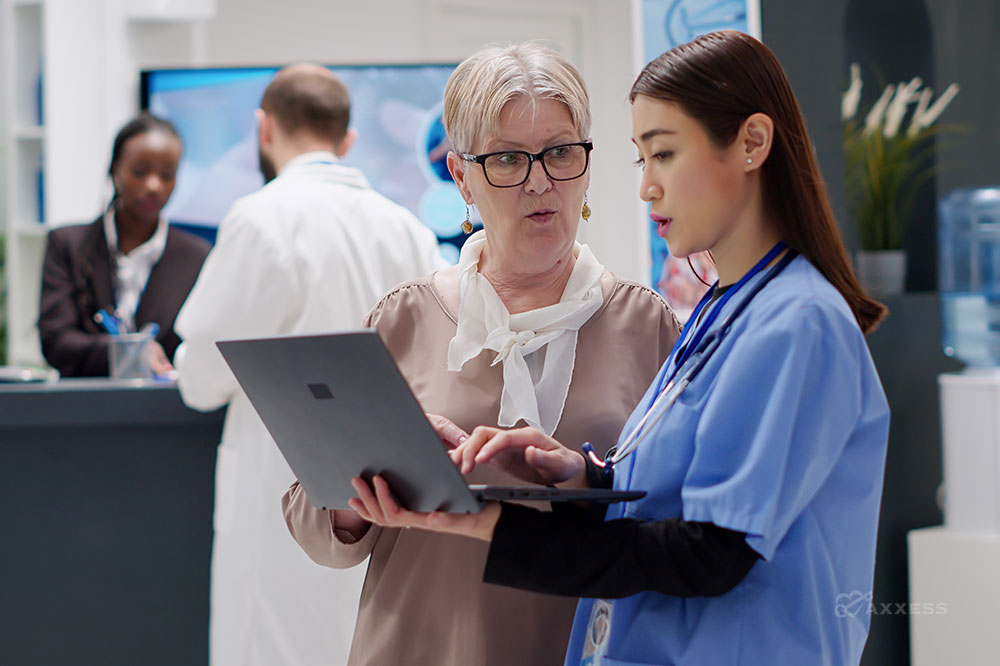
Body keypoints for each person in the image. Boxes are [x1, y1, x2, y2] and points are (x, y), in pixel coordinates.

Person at [347, 30, 892, 666]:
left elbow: (709, 550)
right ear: (462, 177)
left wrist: (485, 521)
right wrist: (582, 476)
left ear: (751, 144)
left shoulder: (793, 323)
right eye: (641, 160)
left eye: (664, 155)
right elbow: (677, 490)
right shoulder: (724, 311)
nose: (647, 188)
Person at [282, 42, 681, 666]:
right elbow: (318, 528)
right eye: (508, 160)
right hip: (421, 643)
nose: (540, 181)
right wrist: (359, 495)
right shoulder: (405, 317)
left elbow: (674, 523)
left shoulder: (645, 323)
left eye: (559, 152)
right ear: (462, 175)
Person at [172, 64, 444, 666]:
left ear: (262, 129)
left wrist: (184, 364)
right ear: (346, 140)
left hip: (281, 486)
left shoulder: (259, 217)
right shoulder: (407, 227)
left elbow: (204, 375)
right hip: (381, 492)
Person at [38, 112, 210, 377]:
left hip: (164, 412)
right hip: (81, 409)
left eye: (167, 175)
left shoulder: (196, 256)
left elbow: (201, 347)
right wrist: (130, 351)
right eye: (140, 172)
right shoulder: (68, 244)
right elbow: (56, 342)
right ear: (115, 168)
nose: (154, 185)